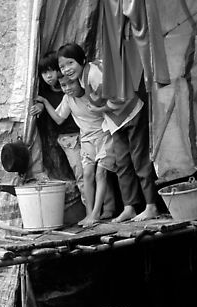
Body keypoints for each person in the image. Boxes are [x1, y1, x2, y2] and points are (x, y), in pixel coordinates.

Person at [59, 42, 159, 222]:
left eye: (70, 63)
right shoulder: (83, 77)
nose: (66, 69)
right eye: (62, 66)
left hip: (130, 114)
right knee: (123, 163)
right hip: (115, 122)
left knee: (139, 160)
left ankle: (151, 206)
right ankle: (130, 207)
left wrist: (99, 110)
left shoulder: (94, 74)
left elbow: (119, 96)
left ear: (81, 60)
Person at [36, 73, 116, 226]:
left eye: (70, 84)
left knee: (101, 173)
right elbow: (59, 118)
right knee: (86, 174)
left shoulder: (90, 94)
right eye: (63, 86)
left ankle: (96, 213)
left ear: (79, 82)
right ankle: (89, 214)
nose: (67, 88)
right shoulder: (67, 99)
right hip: (86, 139)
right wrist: (45, 102)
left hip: (103, 135)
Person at [29, 51, 83, 195]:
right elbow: (54, 114)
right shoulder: (45, 94)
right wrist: (41, 106)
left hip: (85, 131)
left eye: (51, 70)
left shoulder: (72, 86)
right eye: (44, 73)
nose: (48, 76)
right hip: (68, 138)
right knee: (81, 175)